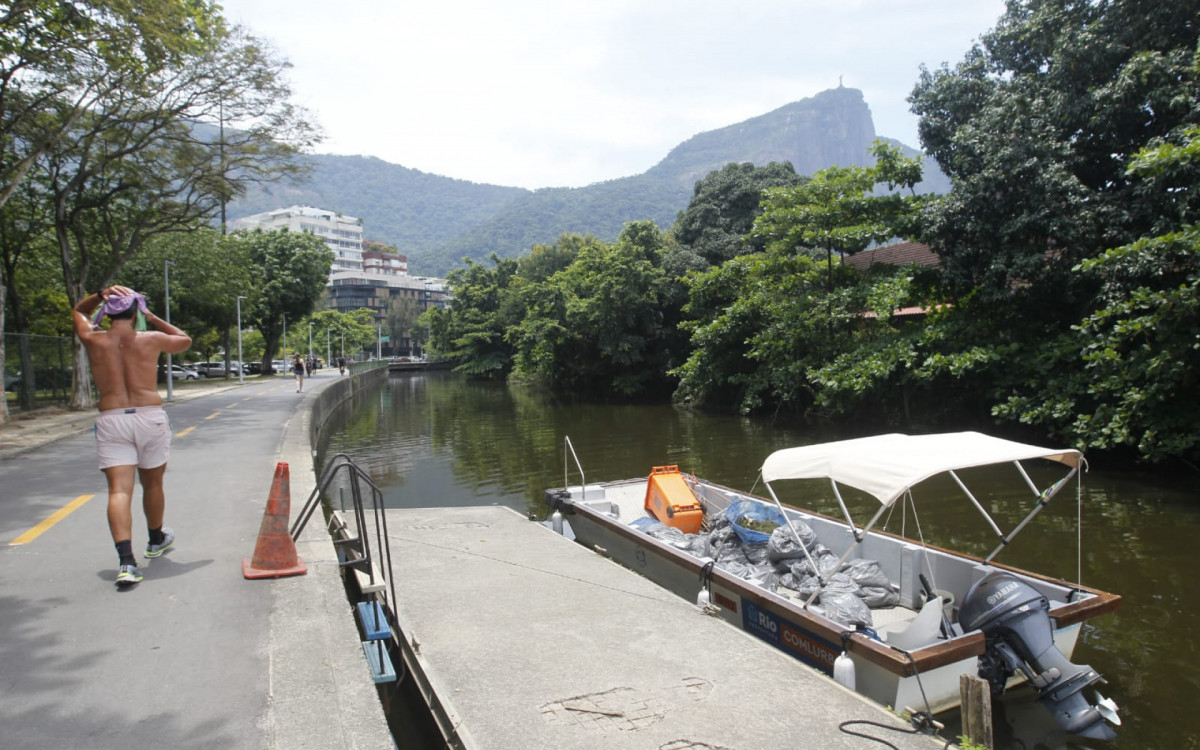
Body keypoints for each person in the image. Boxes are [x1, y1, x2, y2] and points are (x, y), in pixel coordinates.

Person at [72, 285, 192, 587]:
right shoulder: (150, 339)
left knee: (119, 491)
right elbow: (184, 340)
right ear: (136, 311)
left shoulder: (94, 339)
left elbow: (79, 311)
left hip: (112, 418)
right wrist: (150, 316)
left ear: (107, 311)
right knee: (152, 482)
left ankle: (126, 562)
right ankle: (155, 539)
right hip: (149, 416)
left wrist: (100, 294)